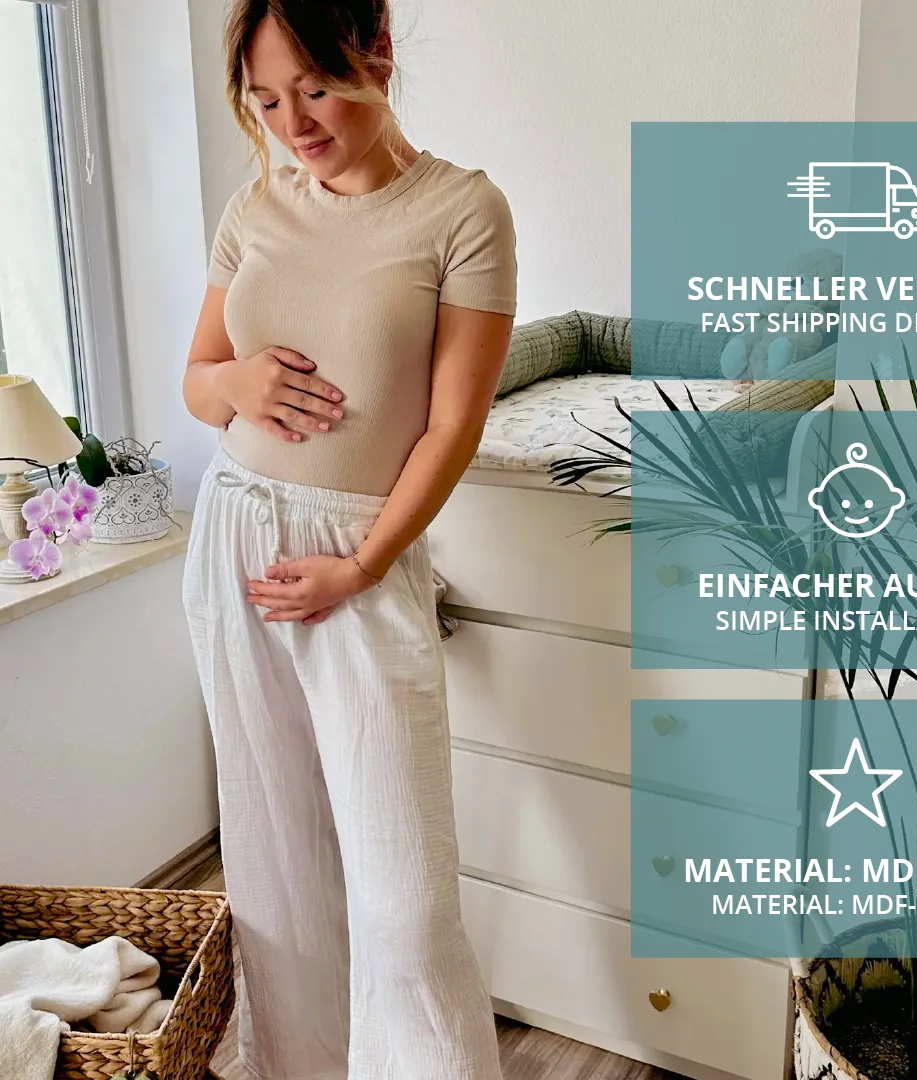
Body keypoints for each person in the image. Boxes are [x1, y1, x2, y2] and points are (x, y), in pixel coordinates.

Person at [180, 2, 516, 1077]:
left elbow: (452, 426)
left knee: (404, 895)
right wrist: (238, 382)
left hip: (356, 560)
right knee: (275, 861)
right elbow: (197, 383)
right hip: (235, 539)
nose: (294, 126)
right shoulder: (254, 205)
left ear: (376, 52)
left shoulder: (462, 212)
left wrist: (363, 566)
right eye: (267, 101)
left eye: (315, 89)